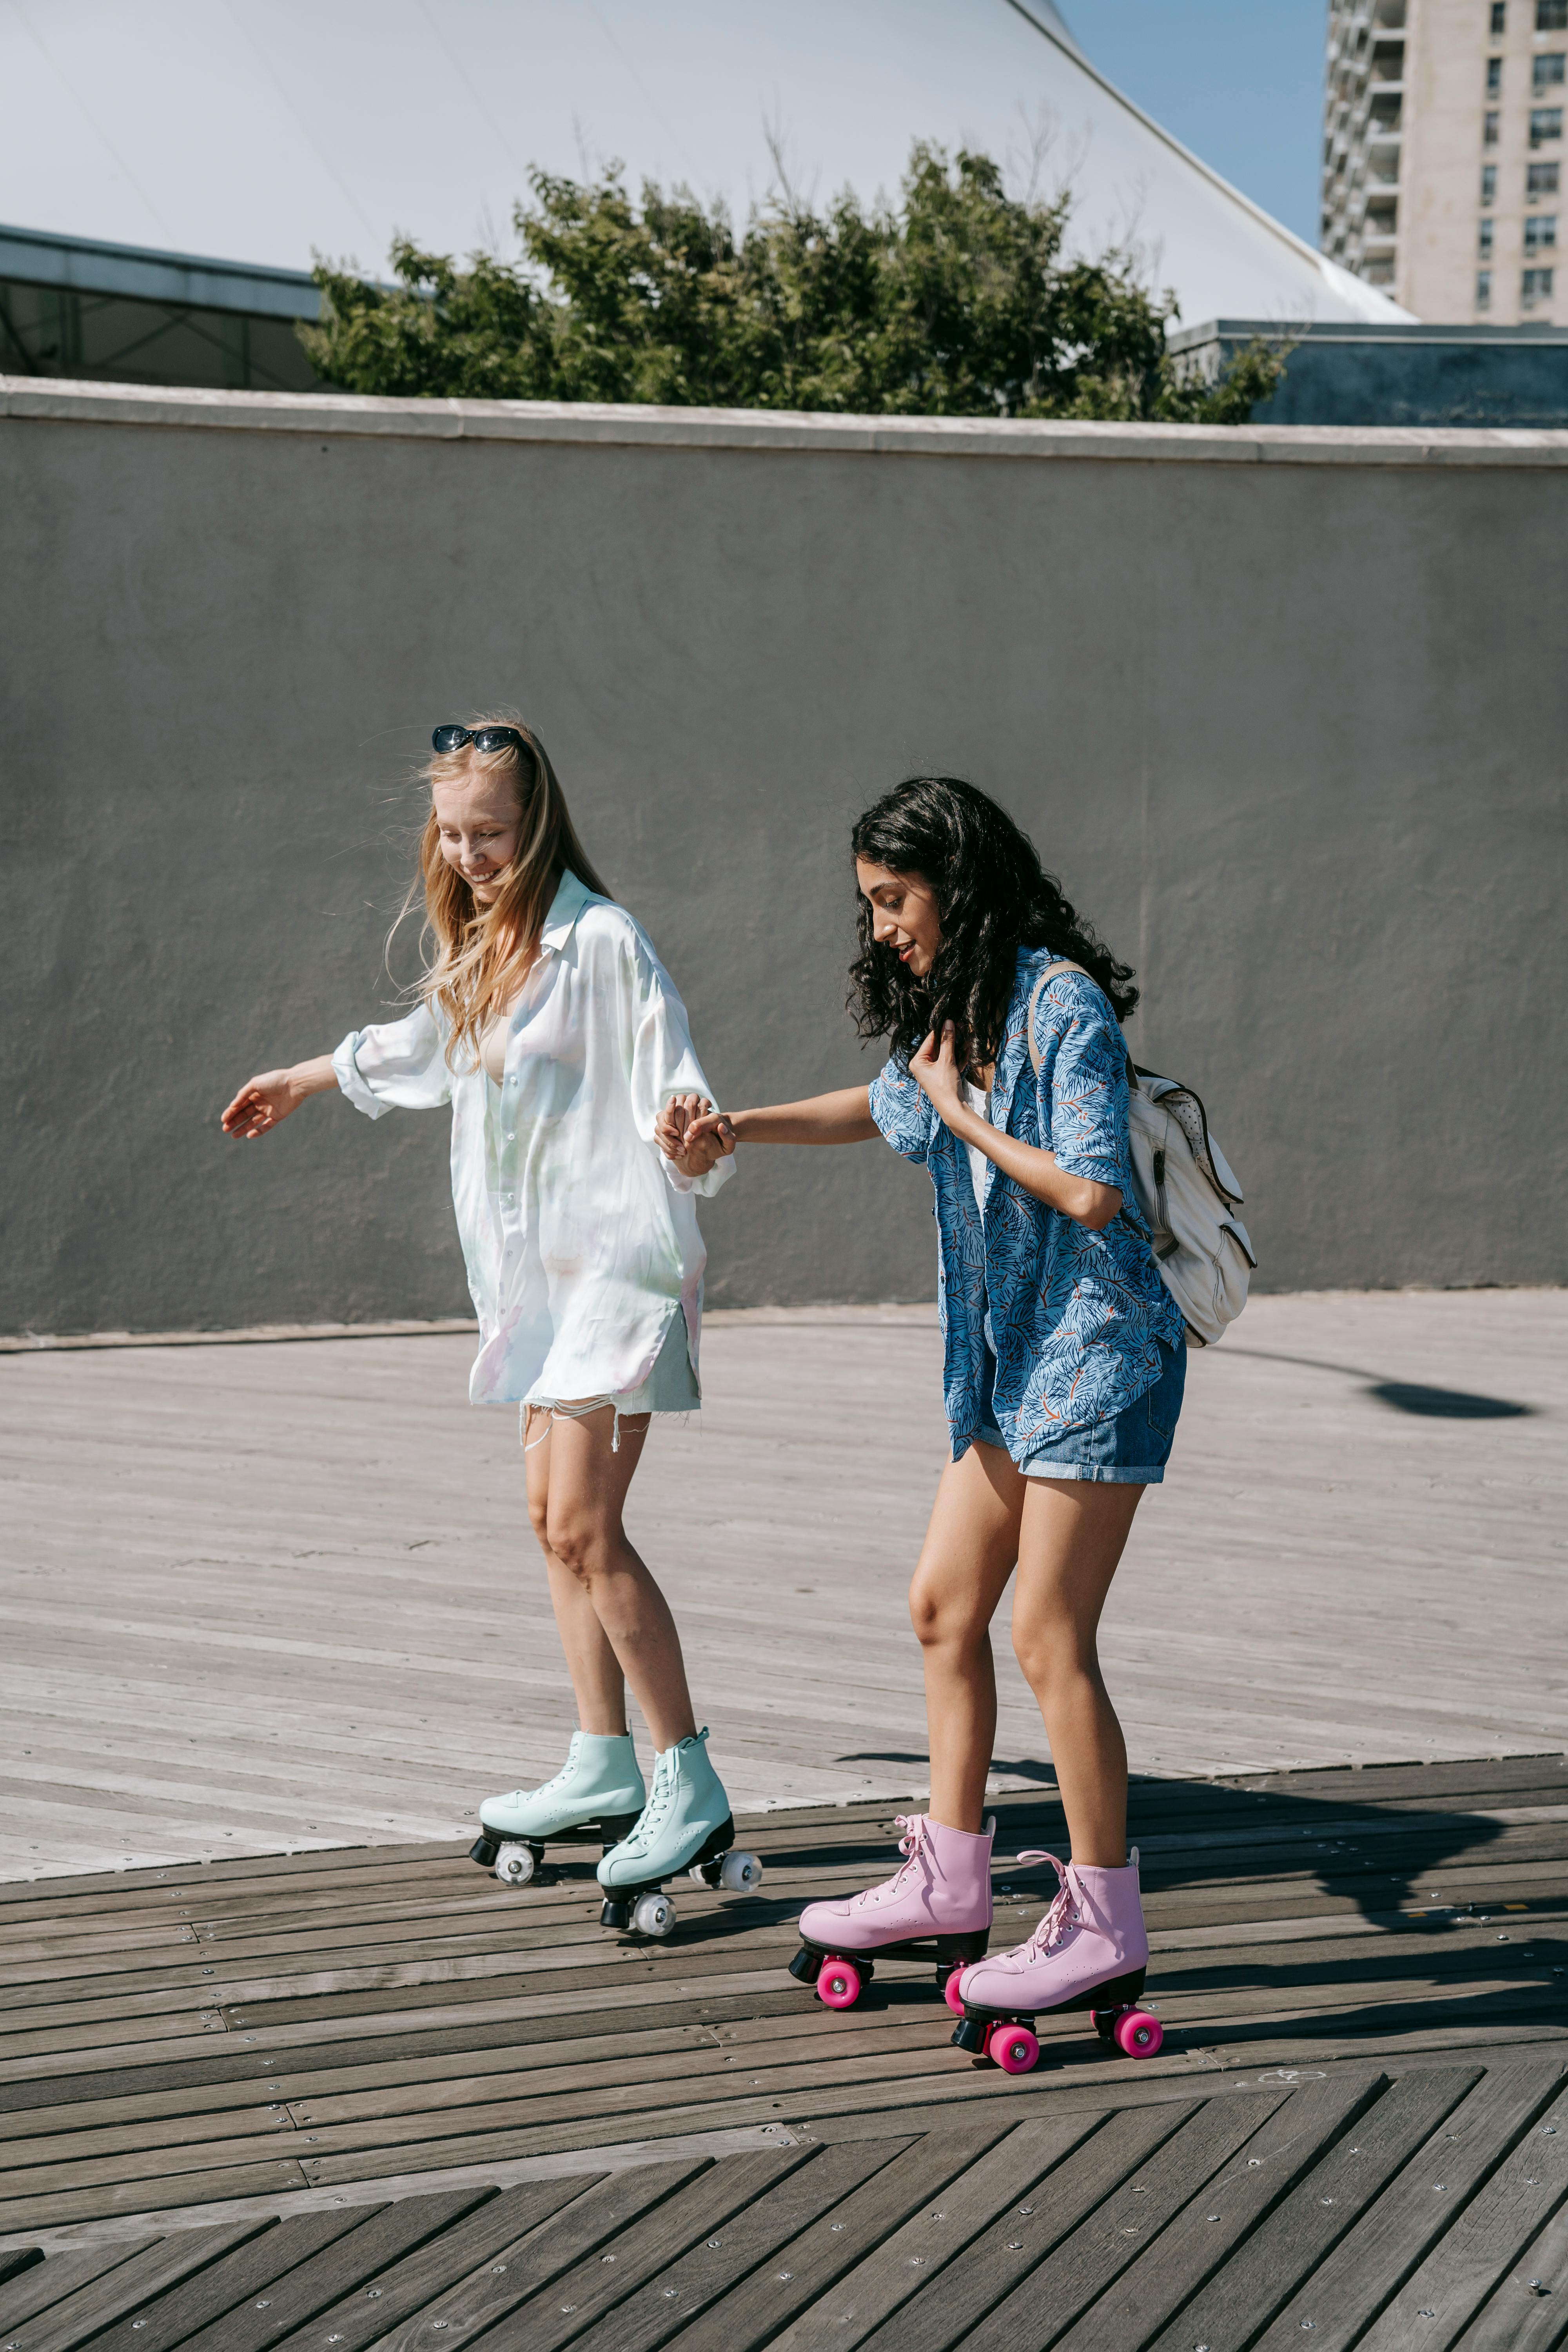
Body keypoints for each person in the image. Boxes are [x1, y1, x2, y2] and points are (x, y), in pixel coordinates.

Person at [660, 774, 1185, 2038]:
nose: (884, 925)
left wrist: (964, 1114)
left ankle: (1107, 1920)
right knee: (944, 1606)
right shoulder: (963, 1007)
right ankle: (951, 1879)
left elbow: (1093, 1193)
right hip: (1012, 1368)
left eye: (895, 899)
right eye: (873, 905)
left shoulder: (1060, 1004)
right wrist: (738, 1129)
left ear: (957, 881)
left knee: (1049, 1637)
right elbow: (890, 1110)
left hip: (1100, 1355)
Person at [222, 719, 753, 1931]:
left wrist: (691, 1137)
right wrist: (305, 1080)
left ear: (539, 822)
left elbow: (680, 1081)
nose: (469, 854)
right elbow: (421, 1051)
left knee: (585, 1523)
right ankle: (603, 1760)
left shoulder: (604, 942)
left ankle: (690, 1779)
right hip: (542, 1293)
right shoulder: (485, 948)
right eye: (454, 834)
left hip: (619, 1277)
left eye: (491, 833)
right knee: (550, 1527)